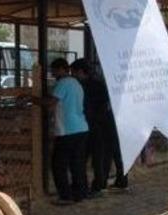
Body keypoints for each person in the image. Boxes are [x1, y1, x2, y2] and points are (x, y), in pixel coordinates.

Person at [70, 58, 120, 194]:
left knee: (94, 157)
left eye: (73, 72)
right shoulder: (97, 84)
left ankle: (95, 185)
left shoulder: (87, 86)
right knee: (99, 157)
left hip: (95, 125)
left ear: (80, 71)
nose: (73, 75)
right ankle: (98, 184)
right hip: (99, 124)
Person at [48, 57, 89, 205]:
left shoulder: (63, 83)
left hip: (67, 130)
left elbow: (51, 104)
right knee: (77, 163)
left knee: (58, 164)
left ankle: (65, 196)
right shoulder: (76, 83)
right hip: (81, 127)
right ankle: (81, 193)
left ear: (61, 69)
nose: (53, 73)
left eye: (54, 70)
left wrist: (33, 100)